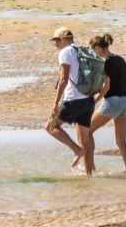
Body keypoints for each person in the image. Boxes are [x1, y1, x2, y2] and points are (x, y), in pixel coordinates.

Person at [44, 27, 100, 174]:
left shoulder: (65, 52)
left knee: (50, 127)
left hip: (73, 100)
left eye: (56, 41)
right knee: (85, 141)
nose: (55, 44)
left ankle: (76, 150)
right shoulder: (82, 50)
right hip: (88, 100)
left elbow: (64, 78)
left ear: (62, 39)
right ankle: (88, 176)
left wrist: (55, 104)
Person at [88, 32, 126, 171]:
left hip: (112, 102)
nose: (92, 54)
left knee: (86, 131)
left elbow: (106, 87)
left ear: (99, 48)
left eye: (92, 50)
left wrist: (94, 101)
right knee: (121, 142)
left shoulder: (104, 62)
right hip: (125, 102)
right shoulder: (120, 59)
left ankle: (90, 167)